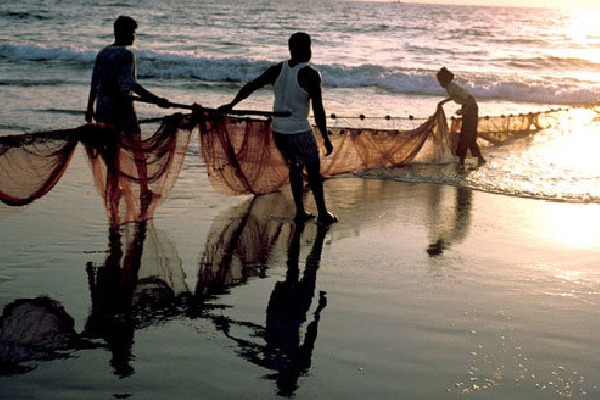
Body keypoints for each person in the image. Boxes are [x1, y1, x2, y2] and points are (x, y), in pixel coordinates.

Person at [219, 32, 338, 225]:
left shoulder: (277, 69)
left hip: (279, 131)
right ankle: (323, 214)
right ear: (304, 49)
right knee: (313, 171)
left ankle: (300, 211)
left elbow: (251, 86)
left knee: (295, 167)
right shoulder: (311, 74)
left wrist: (232, 104)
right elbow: (318, 110)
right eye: (308, 47)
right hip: (299, 131)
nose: (310, 51)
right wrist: (325, 137)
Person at [85, 15, 170, 133]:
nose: (134, 36)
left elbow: (94, 83)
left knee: (109, 145)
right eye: (132, 32)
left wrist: (89, 108)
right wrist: (156, 100)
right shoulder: (126, 54)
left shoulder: (103, 53)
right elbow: (130, 84)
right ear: (122, 33)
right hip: (121, 109)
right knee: (131, 140)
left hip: (103, 108)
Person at [437, 67, 485, 167]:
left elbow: (470, 98)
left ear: (443, 80)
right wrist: (444, 101)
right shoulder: (449, 87)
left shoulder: (453, 87)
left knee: (465, 135)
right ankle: (480, 158)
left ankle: (461, 161)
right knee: (470, 136)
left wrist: (464, 110)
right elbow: (455, 96)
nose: (439, 83)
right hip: (469, 107)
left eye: (440, 81)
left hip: (471, 108)